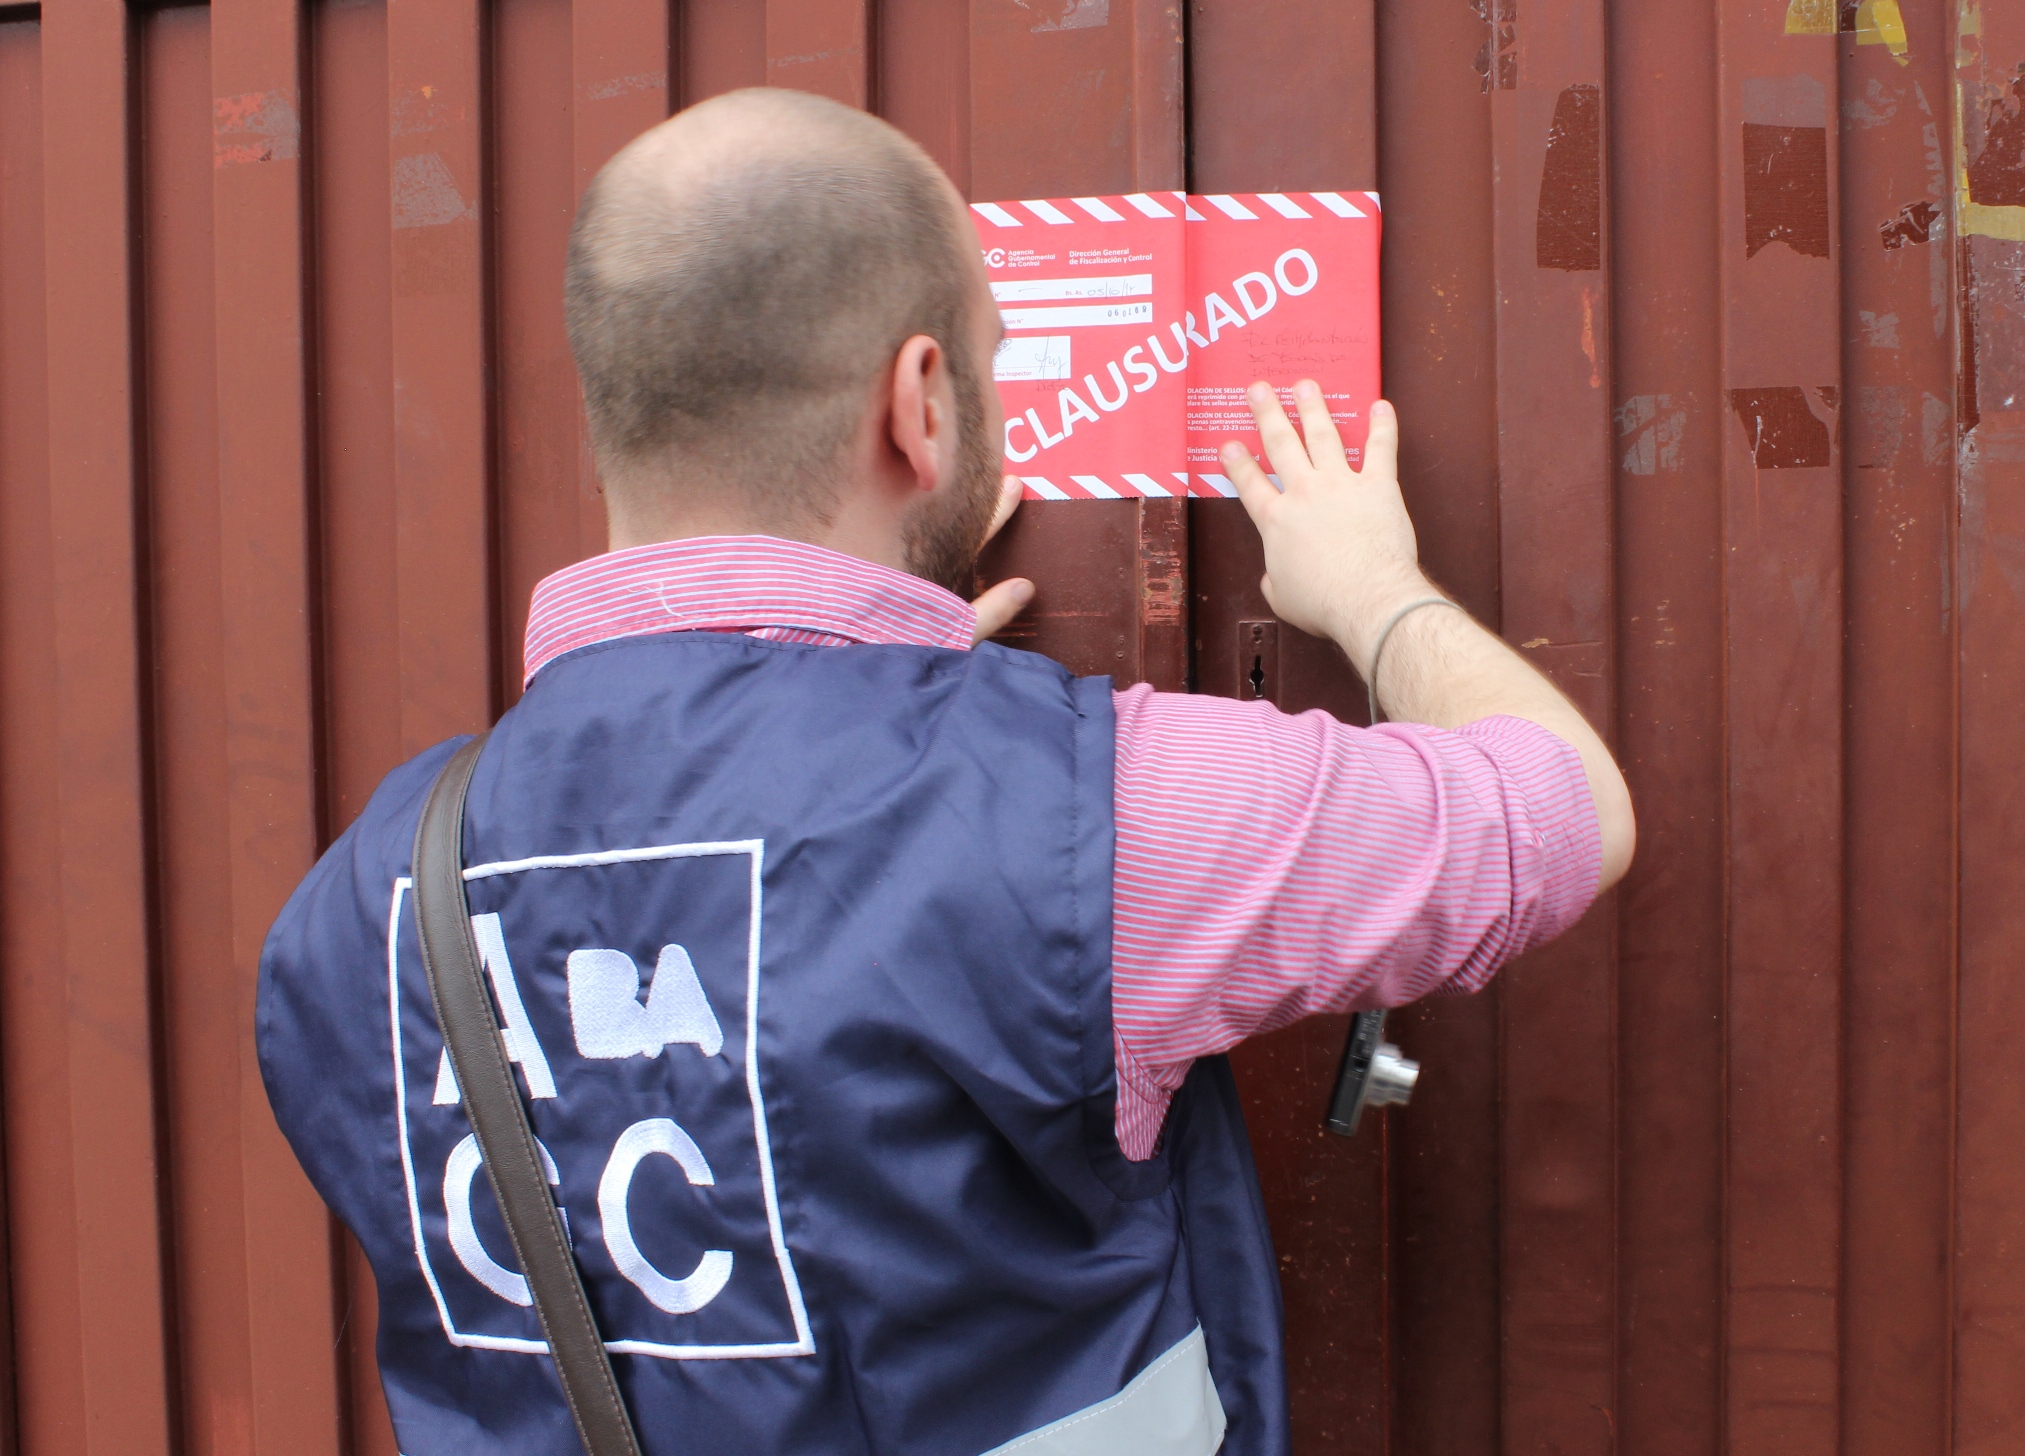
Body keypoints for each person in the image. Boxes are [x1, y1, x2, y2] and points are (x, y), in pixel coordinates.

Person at [257, 87, 1633, 1456]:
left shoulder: (355, 907)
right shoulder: (1077, 818)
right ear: (922, 404)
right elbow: (1566, 811)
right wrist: (1374, 593)